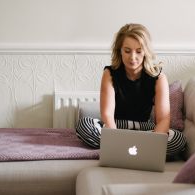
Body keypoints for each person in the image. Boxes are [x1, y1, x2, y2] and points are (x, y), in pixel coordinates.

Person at [76, 23, 187, 158]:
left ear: (145, 51)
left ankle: (124, 150)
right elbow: (107, 115)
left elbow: (163, 119)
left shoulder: (159, 77)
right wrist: (116, 139)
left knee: (178, 139)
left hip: (145, 129)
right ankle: (136, 151)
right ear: (120, 50)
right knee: (84, 125)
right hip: (117, 127)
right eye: (127, 51)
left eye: (138, 51)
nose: (132, 57)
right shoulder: (109, 73)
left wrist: (154, 142)